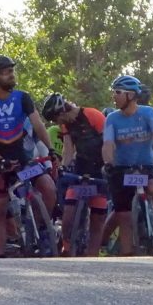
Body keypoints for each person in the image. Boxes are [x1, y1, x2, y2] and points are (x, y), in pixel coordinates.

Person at [0, 55, 57, 257]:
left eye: (12, 71)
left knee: (48, 187)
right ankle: (0, 256)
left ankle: (40, 228)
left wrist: (51, 149)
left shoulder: (23, 97)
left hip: (22, 159)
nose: (12, 75)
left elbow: (38, 125)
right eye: (7, 72)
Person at [102, 75, 153, 256]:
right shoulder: (112, 118)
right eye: (113, 92)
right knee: (123, 215)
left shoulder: (148, 113)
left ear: (131, 95)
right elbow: (108, 145)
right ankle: (126, 256)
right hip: (122, 169)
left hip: (145, 167)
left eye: (118, 92)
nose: (114, 96)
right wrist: (108, 163)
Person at [41, 93, 108, 256]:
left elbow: (108, 142)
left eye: (57, 119)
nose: (58, 123)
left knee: (97, 219)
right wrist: (63, 167)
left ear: (63, 111)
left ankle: (92, 255)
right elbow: (69, 148)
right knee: (68, 214)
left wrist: (108, 165)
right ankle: (67, 246)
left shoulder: (92, 115)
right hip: (81, 168)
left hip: (100, 169)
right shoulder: (66, 125)